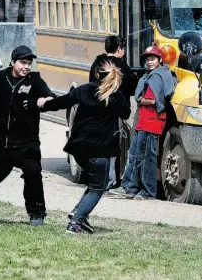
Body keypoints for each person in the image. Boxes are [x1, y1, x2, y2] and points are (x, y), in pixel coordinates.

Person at [0, 46, 54, 226]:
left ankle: (37, 214)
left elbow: (49, 96)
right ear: (13, 62)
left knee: (33, 174)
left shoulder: (35, 82)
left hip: (26, 143)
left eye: (29, 63)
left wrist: (45, 100)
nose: (26, 66)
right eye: (23, 62)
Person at [40, 61, 130, 234]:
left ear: (97, 74)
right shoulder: (115, 96)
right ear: (115, 78)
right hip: (100, 149)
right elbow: (126, 113)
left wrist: (43, 104)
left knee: (96, 182)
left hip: (79, 149)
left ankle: (78, 211)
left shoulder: (84, 90)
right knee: (99, 187)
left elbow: (62, 102)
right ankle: (76, 222)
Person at [109, 45, 175, 200]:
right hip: (145, 120)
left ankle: (145, 191)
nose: (149, 62)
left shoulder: (156, 77)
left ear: (159, 60)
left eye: (152, 59)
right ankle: (131, 188)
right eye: (147, 59)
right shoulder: (153, 75)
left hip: (151, 120)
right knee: (137, 154)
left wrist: (140, 100)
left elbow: (153, 100)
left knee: (145, 156)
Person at [88, 35, 137, 190]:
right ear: (120, 49)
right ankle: (110, 180)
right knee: (113, 147)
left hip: (96, 110)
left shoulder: (97, 63)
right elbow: (132, 88)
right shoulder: (122, 67)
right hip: (114, 112)